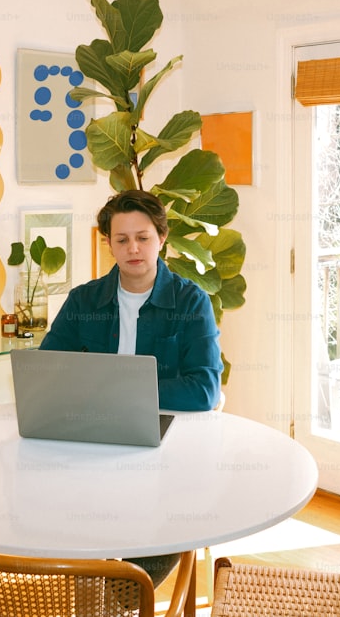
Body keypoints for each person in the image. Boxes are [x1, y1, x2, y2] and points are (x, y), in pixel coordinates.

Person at [40, 189, 223, 585]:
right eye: (121, 240)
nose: (133, 248)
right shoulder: (83, 300)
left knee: (168, 517)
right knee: (58, 504)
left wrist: (122, 389)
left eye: (143, 237)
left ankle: (122, 597)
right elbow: (47, 370)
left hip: (164, 444)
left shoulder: (191, 303)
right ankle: (90, 586)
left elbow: (204, 389)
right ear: (108, 244)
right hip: (93, 437)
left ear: (162, 238)